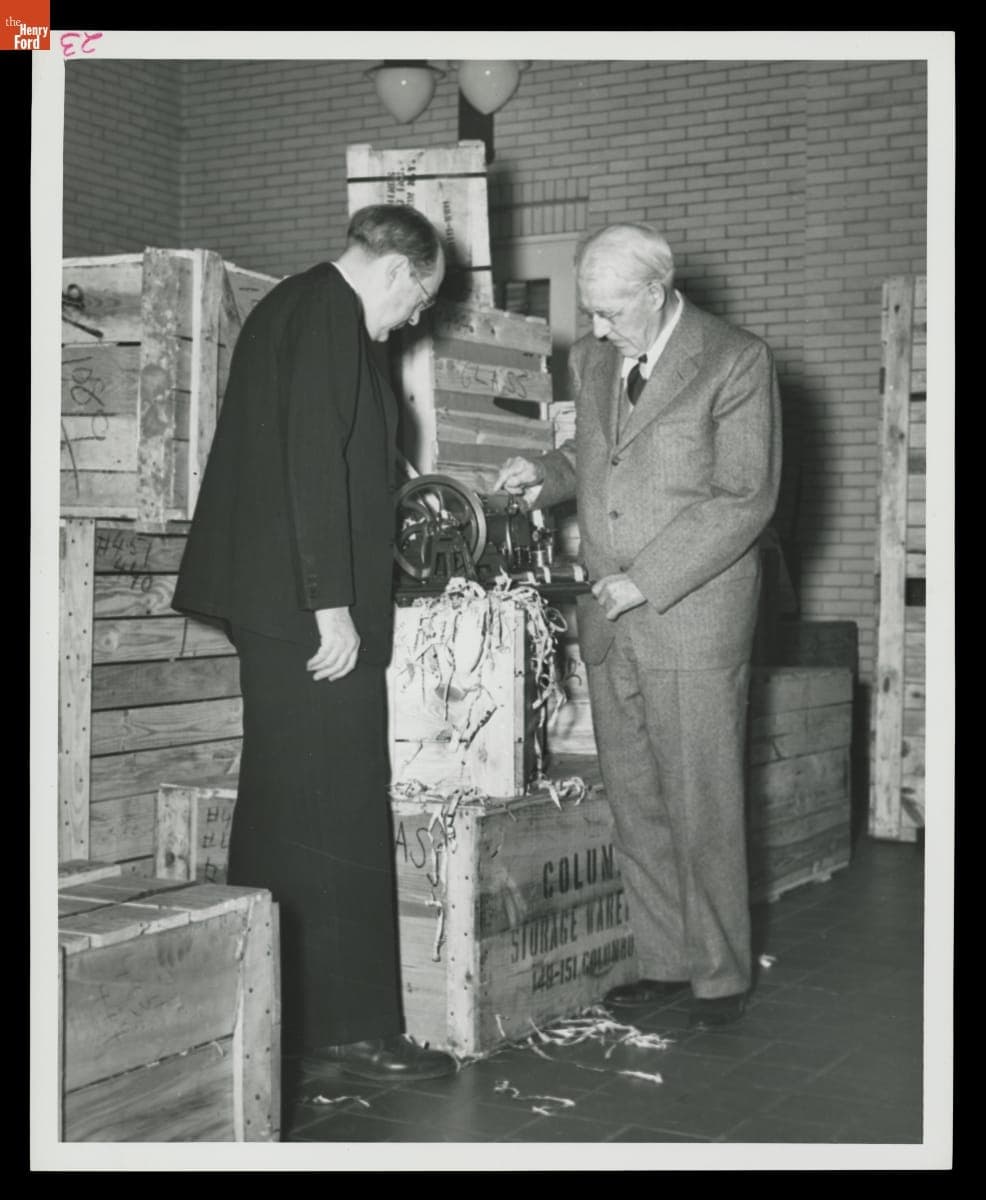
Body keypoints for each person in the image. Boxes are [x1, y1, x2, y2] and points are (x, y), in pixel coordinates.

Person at [172, 204, 456, 1080]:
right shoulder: (333, 313)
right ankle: (357, 1030)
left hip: (280, 604)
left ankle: (276, 1014)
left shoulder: (293, 306)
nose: (414, 320)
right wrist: (333, 605)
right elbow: (307, 462)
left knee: (285, 807)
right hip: (311, 614)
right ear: (401, 273)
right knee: (338, 805)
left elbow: (324, 457)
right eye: (421, 302)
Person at [494, 223, 782, 1028]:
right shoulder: (594, 358)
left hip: (690, 616)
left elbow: (743, 499)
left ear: (657, 292)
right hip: (606, 614)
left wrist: (644, 581)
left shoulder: (735, 360)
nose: (595, 329)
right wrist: (543, 479)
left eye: (612, 311)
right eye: (590, 311)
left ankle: (721, 975)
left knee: (703, 803)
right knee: (638, 802)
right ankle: (664, 960)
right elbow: (597, 455)